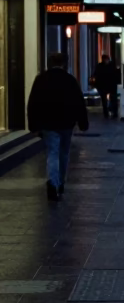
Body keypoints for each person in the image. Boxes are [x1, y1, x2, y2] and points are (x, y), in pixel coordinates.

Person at [27, 52, 89, 201]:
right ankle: (60, 182)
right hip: (66, 123)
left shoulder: (41, 79)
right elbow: (79, 102)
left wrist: (33, 125)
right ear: (64, 64)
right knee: (64, 153)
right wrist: (82, 123)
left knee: (52, 153)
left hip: (48, 124)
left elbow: (33, 103)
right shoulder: (70, 80)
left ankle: (53, 183)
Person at [94, 53, 119, 118]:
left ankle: (112, 113)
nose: (106, 61)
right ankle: (109, 113)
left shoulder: (101, 66)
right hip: (106, 85)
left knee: (111, 99)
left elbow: (96, 75)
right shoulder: (110, 66)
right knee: (107, 100)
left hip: (108, 85)